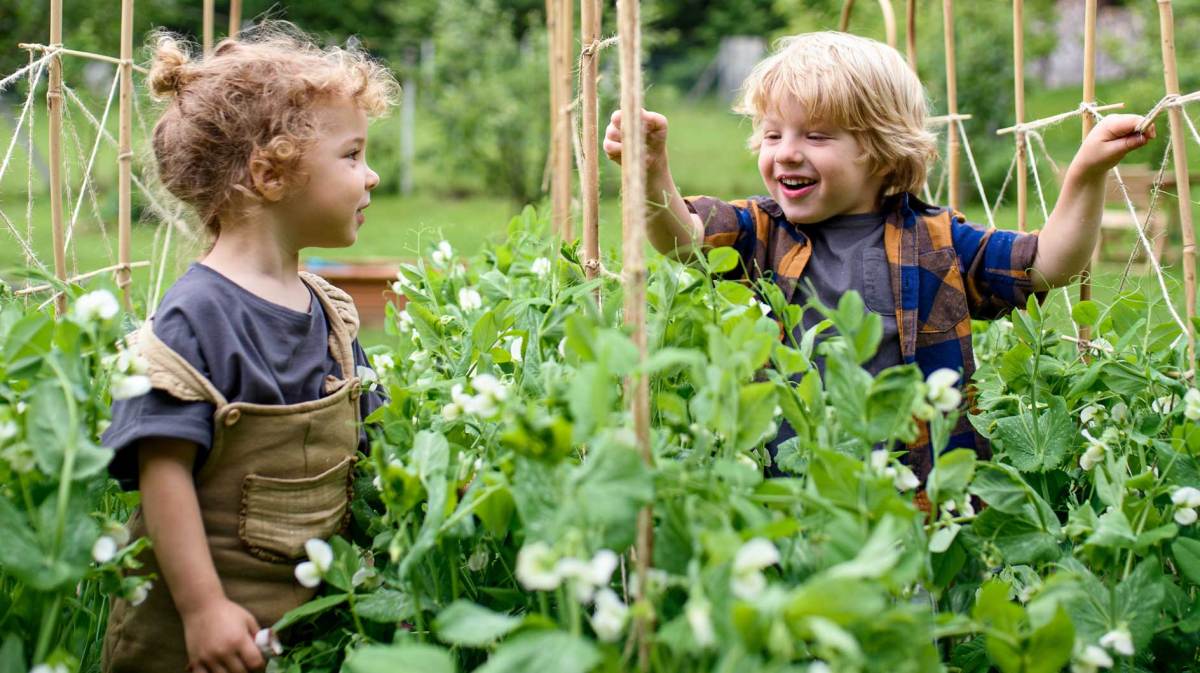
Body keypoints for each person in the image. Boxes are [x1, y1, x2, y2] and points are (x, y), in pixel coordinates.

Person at [602, 31, 1154, 484]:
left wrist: (1085, 172)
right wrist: (651, 173)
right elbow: (683, 238)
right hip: (794, 479)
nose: (786, 151)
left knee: (917, 613)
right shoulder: (760, 230)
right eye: (772, 134)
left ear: (883, 152)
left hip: (918, 485)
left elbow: (1045, 265)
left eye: (816, 135)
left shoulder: (937, 241)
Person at [101, 23, 397, 673]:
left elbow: (365, 435)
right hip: (190, 641)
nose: (371, 175)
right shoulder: (198, 315)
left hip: (304, 626)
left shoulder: (329, 309)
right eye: (351, 155)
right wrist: (203, 606)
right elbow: (163, 470)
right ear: (270, 173)